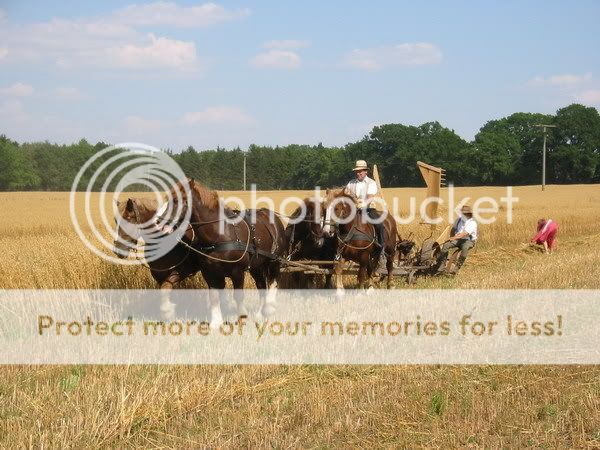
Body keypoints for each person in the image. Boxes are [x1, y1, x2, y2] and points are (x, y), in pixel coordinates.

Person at [344, 160, 385, 251]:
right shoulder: (351, 183)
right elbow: (346, 194)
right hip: (353, 211)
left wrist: (363, 204)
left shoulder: (371, 183)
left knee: (379, 224)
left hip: (368, 209)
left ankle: (381, 247)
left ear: (366, 171)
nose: (358, 173)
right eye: (357, 171)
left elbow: (370, 197)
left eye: (360, 171)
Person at [434, 205, 478, 275]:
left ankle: (456, 268)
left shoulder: (472, 223)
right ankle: (442, 265)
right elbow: (453, 229)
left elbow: (464, 234)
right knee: (446, 246)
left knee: (465, 248)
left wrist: (453, 238)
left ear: (468, 214)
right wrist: (451, 237)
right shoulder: (458, 220)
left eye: (465, 213)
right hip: (458, 239)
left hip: (469, 240)